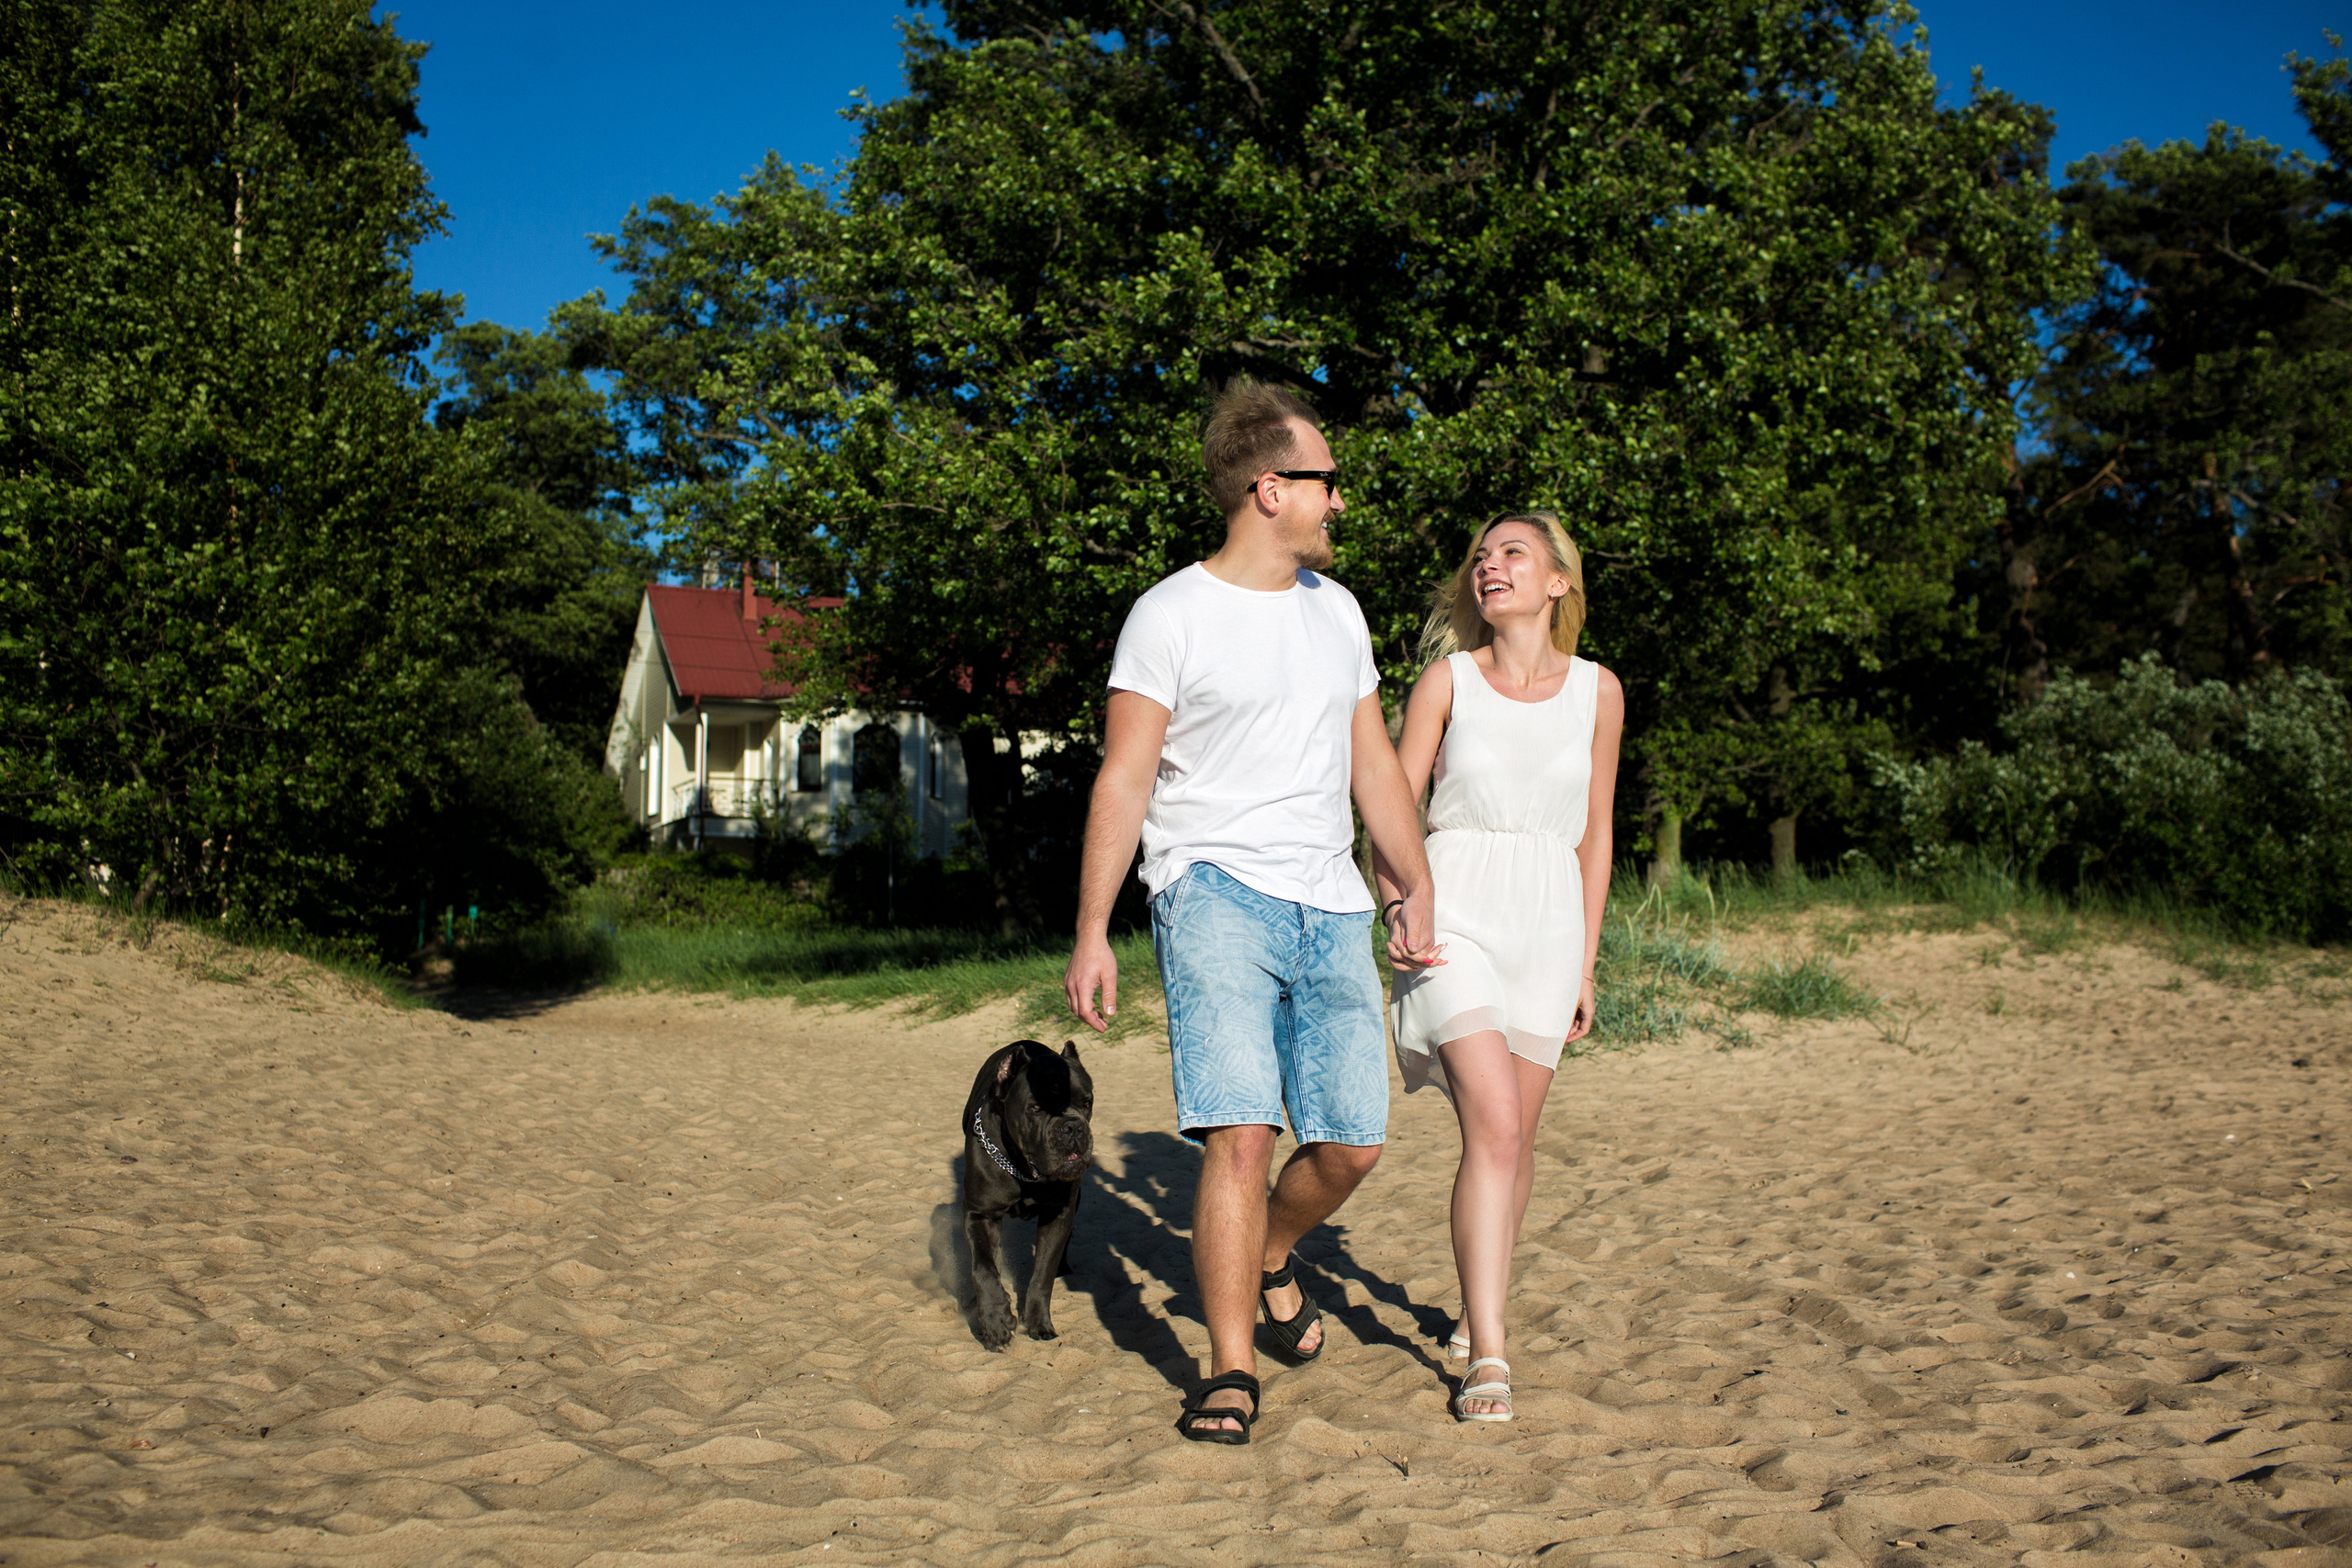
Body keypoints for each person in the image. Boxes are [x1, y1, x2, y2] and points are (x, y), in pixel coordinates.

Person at [1064, 378, 1438, 1446]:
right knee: (1239, 1135)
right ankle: (1230, 1369)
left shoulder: (1340, 612)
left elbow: (1371, 763)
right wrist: (1095, 928)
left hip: (1329, 901)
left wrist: (1410, 884)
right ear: (1270, 489)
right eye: (1327, 483)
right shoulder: (1169, 615)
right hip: (1211, 891)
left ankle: (1273, 1252)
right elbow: (1125, 780)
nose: (1340, 502)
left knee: (1353, 1144)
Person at [1374, 512, 1623, 1423]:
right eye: (1480, 557)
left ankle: (1476, 1309)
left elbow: (1596, 837)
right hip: (1453, 911)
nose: (1490, 567)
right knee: (1493, 1123)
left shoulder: (1600, 691)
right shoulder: (1447, 682)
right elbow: (1392, 803)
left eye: (1512, 553)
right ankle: (1487, 1351)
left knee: (1513, 1138)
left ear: (1557, 581)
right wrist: (1398, 902)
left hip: (1549, 924)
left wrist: (1586, 964)